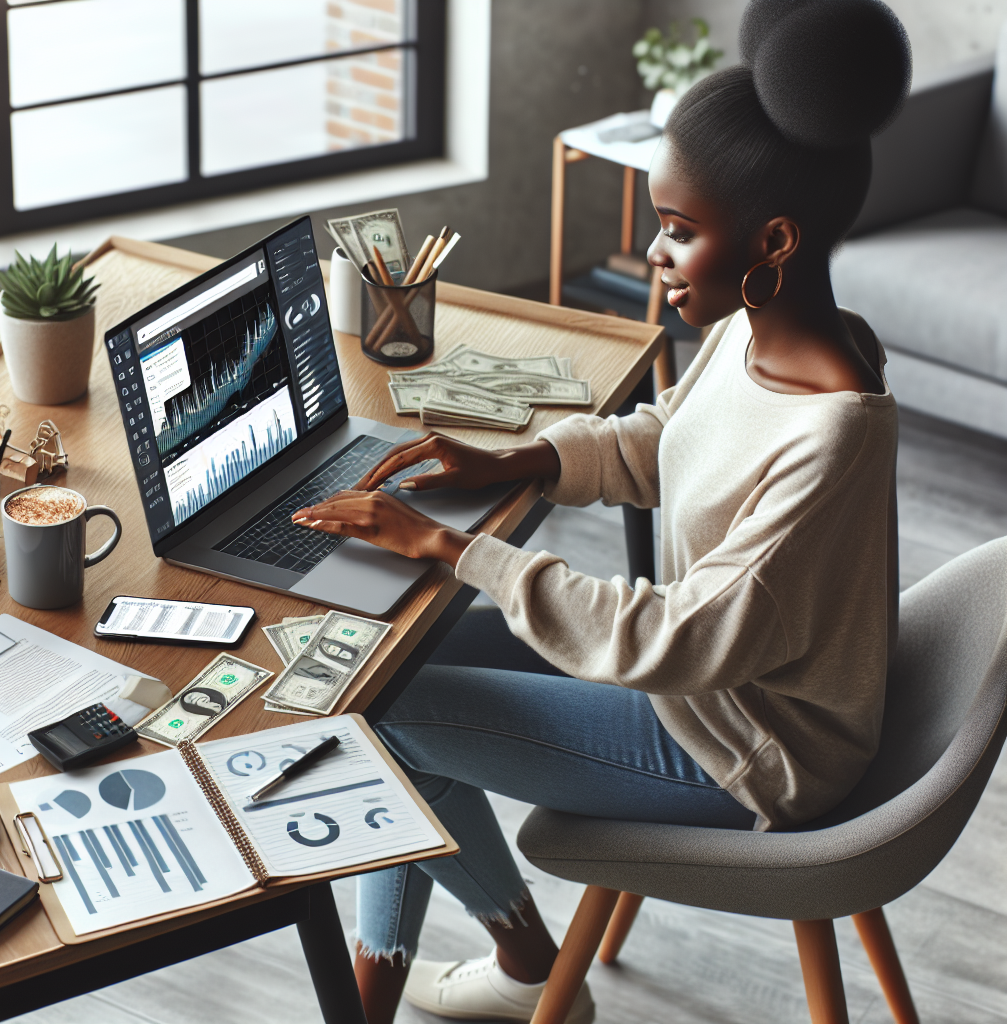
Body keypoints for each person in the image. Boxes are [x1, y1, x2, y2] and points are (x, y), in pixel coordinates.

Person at [292, 1, 911, 1020]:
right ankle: (506, 959)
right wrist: (518, 459)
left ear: (774, 238)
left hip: (743, 753)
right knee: (382, 664)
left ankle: (404, 987)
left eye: (677, 231)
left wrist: (457, 551)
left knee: (375, 706)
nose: (655, 255)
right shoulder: (768, 333)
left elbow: (681, 637)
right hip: (714, 694)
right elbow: (671, 440)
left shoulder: (831, 433)